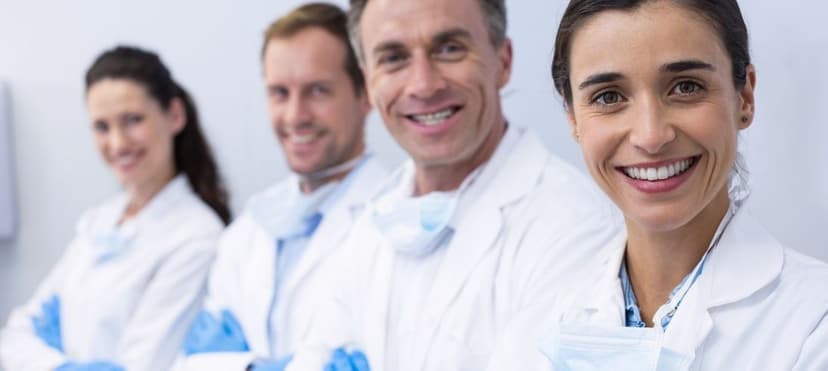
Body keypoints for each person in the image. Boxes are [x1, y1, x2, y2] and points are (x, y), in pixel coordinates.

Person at [486, 1, 828, 370]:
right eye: (609, 96)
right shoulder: (533, 330)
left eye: (685, 87)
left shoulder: (813, 324)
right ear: (573, 118)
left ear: (744, 98)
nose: (650, 136)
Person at [284, 0, 621, 370]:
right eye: (393, 58)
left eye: (449, 49)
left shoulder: (577, 228)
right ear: (368, 82)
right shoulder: (371, 224)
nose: (424, 85)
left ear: (503, 61)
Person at [173, 3, 387, 371]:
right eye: (279, 93)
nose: (295, 116)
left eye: (317, 91)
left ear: (366, 92)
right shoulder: (248, 231)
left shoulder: (390, 222)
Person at [0, 46, 229, 371]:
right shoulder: (99, 222)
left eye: (133, 120)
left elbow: (143, 366)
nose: (118, 143)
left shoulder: (197, 237)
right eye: (102, 127)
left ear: (174, 116)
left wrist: (45, 360)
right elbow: (12, 339)